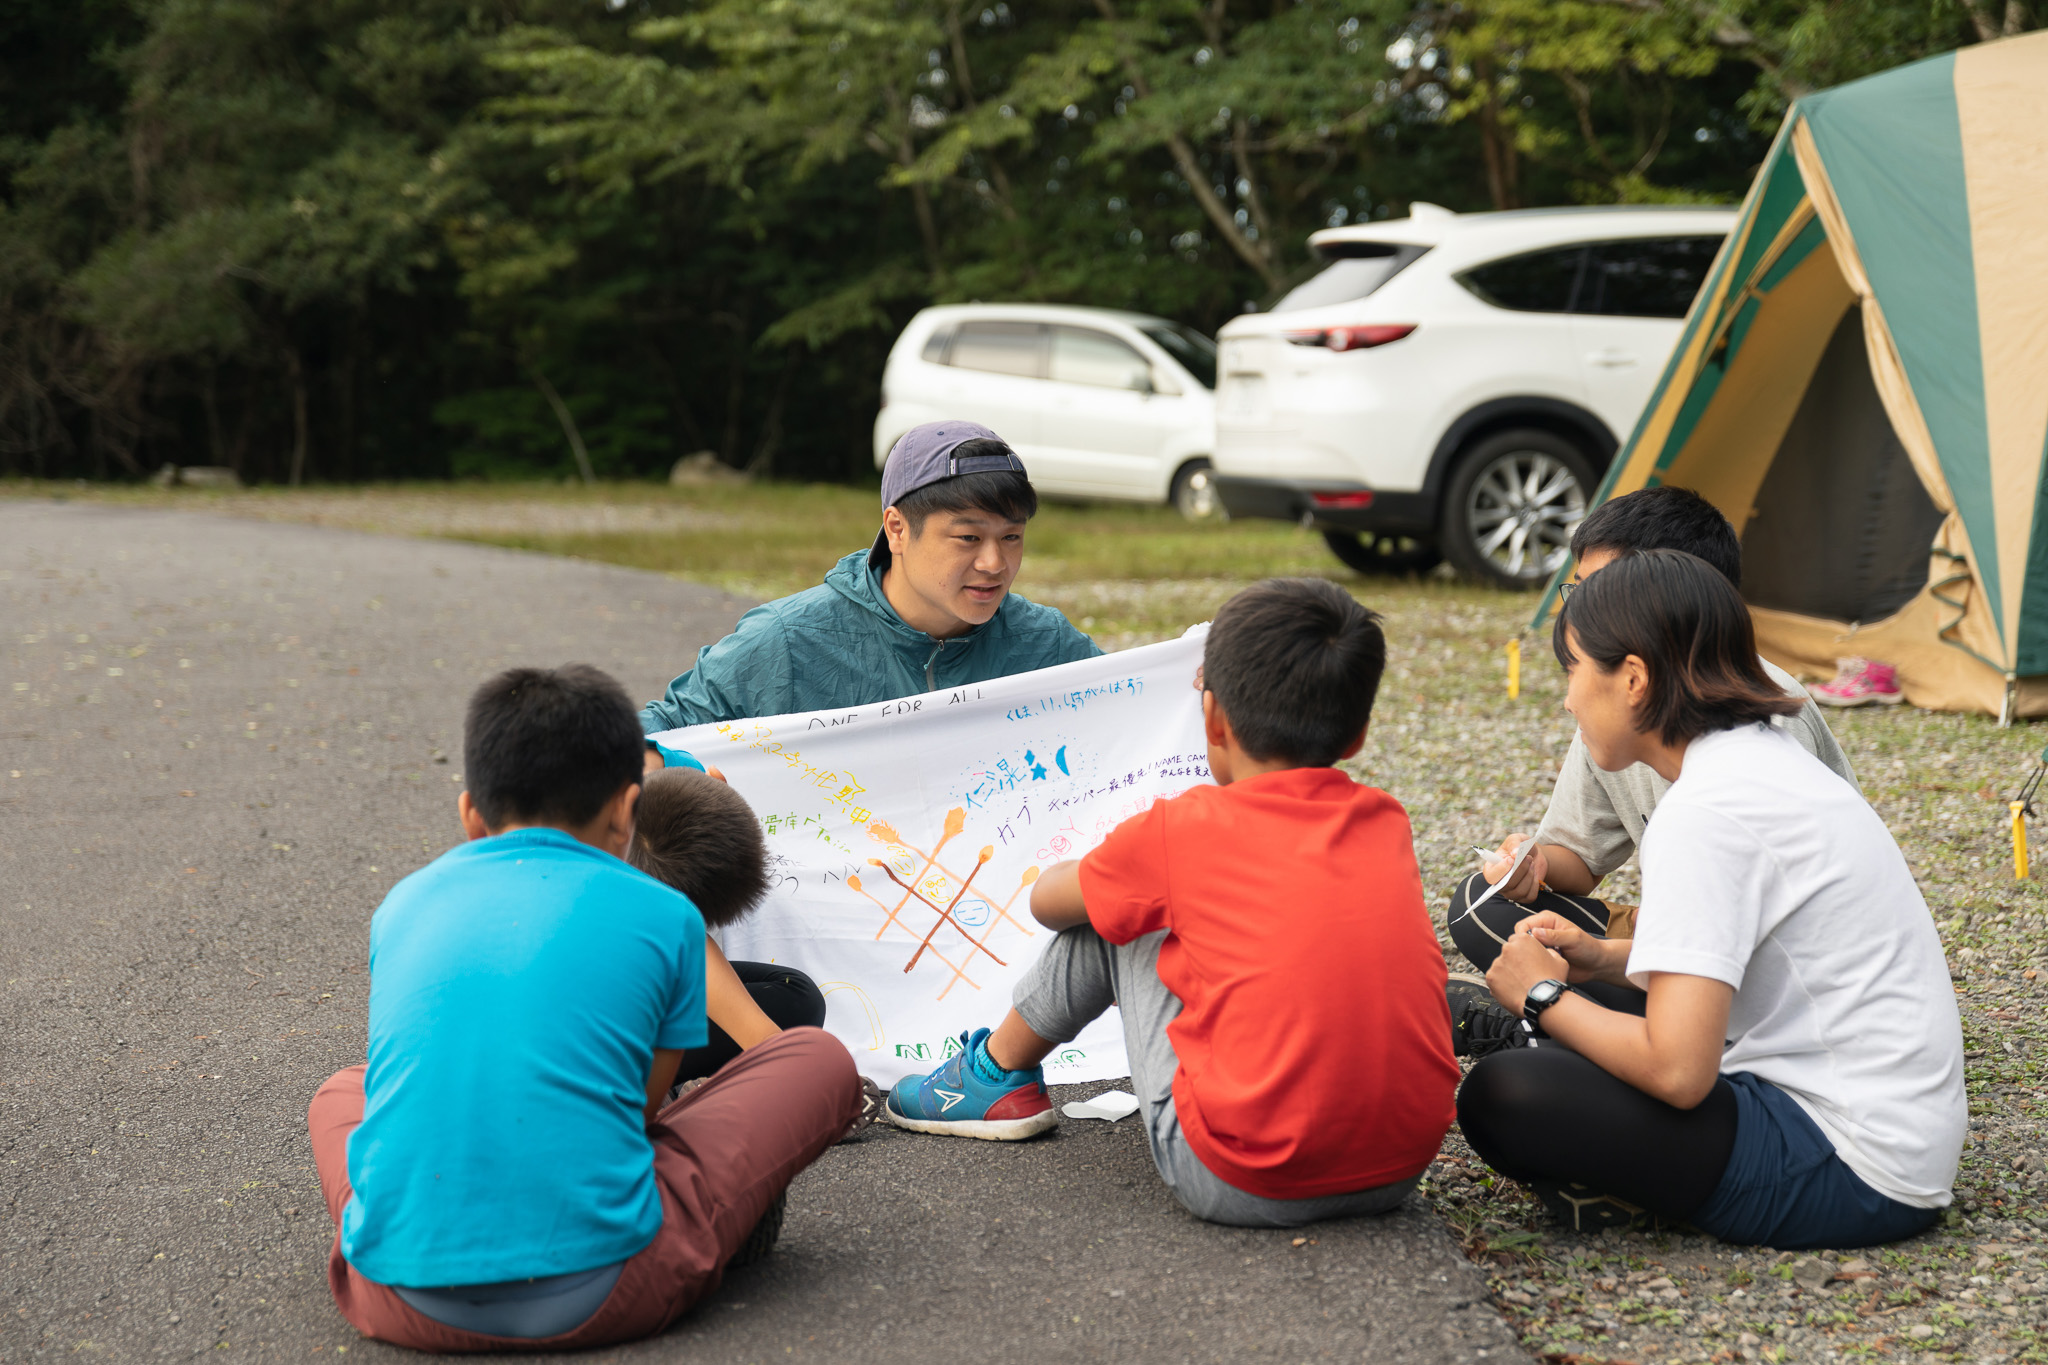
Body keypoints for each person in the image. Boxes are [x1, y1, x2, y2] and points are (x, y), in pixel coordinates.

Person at [307, 665, 858, 1351]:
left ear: (469, 814)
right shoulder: (665, 914)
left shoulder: (403, 904)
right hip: (610, 1293)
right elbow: (643, 1110)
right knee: (817, 1057)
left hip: (394, 1301)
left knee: (340, 1092)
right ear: (630, 810)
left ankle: (411, 1224)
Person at [883, 579, 1460, 1228]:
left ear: (1212, 719)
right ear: (1357, 734)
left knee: (1111, 914)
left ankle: (992, 1073)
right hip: (1399, 1166)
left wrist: (1114, 868)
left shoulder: (1183, 830)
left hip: (1239, 1178)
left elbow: (1049, 902)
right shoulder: (1387, 822)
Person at [1456, 551, 1964, 1248]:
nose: (1569, 698)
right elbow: (1748, 951)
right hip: (1894, 1131)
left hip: (1854, 1167)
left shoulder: (1706, 810)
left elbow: (1678, 1071)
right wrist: (1600, 959)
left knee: (1505, 1093)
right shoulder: (1754, 761)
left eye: (1573, 669)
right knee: (1582, 1026)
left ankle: (1623, 1181)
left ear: (1632, 678)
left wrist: (1542, 995)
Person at [638, 421, 1101, 1092]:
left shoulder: (1043, 642)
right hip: (830, 952)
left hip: (985, 962)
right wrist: (682, 772)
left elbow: (1130, 724)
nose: (995, 564)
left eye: (1012, 538)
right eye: (967, 538)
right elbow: (643, 742)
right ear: (898, 528)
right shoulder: (787, 642)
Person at [1446, 486, 1860, 1048]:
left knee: (1514, 1094)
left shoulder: (1754, 731)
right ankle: (1564, 1027)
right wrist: (1533, 864)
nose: (1575, 612)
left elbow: (1757, 949)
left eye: (1591, 591)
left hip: (1772, 983)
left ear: (1660, 592)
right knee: (1483, 905)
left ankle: (1542, 1032)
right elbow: (1581, 855)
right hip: (1700, 947)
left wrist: (1572, 985)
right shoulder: (1620, 697)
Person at [625, 766, 828, 1085]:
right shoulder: (673, 929)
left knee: (792, 989)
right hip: (586, 1077)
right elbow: (768, 1045)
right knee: (797, 1005)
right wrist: (831, 1086)